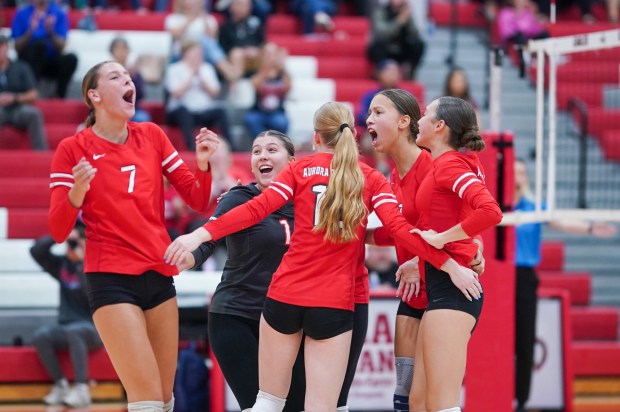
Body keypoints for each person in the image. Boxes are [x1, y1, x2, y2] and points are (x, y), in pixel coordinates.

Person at [165, 101, 479, 411]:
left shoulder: (298, 169)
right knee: (322, 407)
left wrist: (198, 234)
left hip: (284, 296)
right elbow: (398, 228)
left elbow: (255, 209)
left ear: (316, 138)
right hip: (333, 302)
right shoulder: (371, 178)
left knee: (267, 403)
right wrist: (448, 263)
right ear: (351, 135)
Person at [48, 60, 219, 412]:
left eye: (128, 76)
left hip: (158, 272)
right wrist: (77, 192)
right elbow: (58, 229)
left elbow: (199, 200)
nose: (128, 80)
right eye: (116, 77)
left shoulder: (152, 135)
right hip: (111, 278)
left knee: (166, 399)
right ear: (93, 95)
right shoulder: (72, 148)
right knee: (147, 401)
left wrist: (202, 164)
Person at [364, 89, 485, 412]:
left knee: (435, 401)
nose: (368, 120)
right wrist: (357, 235)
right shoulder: (392, 176)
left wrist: (470, 247)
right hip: (415, 293)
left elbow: (473, 217)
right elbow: (402, 233)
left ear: (405, 122)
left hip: (442, 285)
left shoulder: (434, 163)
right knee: (406, 398)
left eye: (377, 113)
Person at [177, 130, 305, 411]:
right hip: (237, 317)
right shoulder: (238, 198)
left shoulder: (308, 204)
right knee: (259, 406)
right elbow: (208, 243)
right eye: (257, 151)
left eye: (272, 150)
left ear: (293, 162)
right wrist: (184, 259)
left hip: (288, 323)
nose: (262, 156)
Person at [410, 96, 503, 412]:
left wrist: (443, 239)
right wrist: (471, 243)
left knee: (441, 405)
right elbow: (463, 217)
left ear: (439, 126)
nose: (418, 120)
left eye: (425, 115)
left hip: (453, 289)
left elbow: (490, 211)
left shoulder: (450, 163)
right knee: (420, 401)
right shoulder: (453, 163)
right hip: (443, 285)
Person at [513, 158, 617, 412]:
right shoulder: (493, 205)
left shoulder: (534, 207)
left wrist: (591, 228)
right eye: (516, 171)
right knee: (495, 339)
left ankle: (521, 401)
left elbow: (561, 222)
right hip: (495, 278)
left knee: (525, 343)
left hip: (524, 278)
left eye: (523, 172)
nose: (520, 176)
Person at [30, 222, 103, 408]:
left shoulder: (96, 265)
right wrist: (60, 235)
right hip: (67, 326)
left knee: (75, 330)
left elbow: (90, 295)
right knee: (42, 335)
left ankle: (81, 389)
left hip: (94, 329)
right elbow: (36, 251)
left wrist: (80, 264)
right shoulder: (62, 265)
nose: (74, 246)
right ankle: (60, 384)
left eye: (79, 241)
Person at [164, 40, 233, 151]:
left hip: (202, 111)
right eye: (195, 52)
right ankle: (191, 147)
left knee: (221, 111)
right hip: (181, 112)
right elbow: (176, 93)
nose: (198, 55)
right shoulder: (174, 69)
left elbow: (215, 93)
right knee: (183, 111)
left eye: (199, 53)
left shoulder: (207, 68)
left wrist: (202, 79)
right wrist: (191, 76)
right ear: (185, 53)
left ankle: (231, 147)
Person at [11, 0, 78, 98]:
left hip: (49, 60)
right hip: (28, 61)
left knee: (71, 59)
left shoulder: (58, 13)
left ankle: (58, 96)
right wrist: (30, 31)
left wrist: (50, 31)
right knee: (40, 45)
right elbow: (17, 47)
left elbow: (61, 47)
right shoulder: (22, 13)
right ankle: (31, 93)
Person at [165, 0, 240, 81]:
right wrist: (190, 19)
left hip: (204, 54)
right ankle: (227, 69)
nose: (190, 5)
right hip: (181, 52)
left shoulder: (209, 19)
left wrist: (204, 18)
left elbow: (213, 38)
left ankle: (228, 70)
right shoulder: (173, 18)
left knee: (206, 41)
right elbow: (175, 36)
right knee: (203, 40)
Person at [0, 34, 47, 150]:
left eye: (1, 46)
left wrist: (14, 98)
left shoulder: (21, 67)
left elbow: (34, 94)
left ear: (7, 47)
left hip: (18, 108)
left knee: (34, 114)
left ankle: (41, 156)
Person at [367, 0, 425, 80]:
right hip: (386, 48)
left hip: (401, 48)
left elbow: (415, 33)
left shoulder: (405, 12)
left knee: (418, 45)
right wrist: (399, 21)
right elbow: (380, 32)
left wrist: (408, 17)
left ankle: (411, 73)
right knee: (377, 47)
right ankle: (380, 73)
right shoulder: (381, 10)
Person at [244, 42, 291, 140]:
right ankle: (262, 143)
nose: (269, 57)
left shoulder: (283, 74)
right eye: (267, 54)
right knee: (251, 120)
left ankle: (277, 145)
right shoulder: (258, 72)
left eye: (272, 54)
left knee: (281, 122)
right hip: (258, 112)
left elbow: (288, 88)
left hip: (277, 112)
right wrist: (265, 69)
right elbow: (256, 86)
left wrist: (282, 67)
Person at [219, 0, 266, 79]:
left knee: (270, 49)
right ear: (232, 7)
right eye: (240, 4)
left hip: (255, 55)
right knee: (236, 54)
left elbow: (263, 42)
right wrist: (244, 50)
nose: (244, 8)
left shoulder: (255, 22)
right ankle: (235, 85)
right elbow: (225, 48)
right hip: (236, 57)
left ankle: (271, 82)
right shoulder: (226, 27)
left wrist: (257, 49)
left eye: (247, 5)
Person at [109, 37, 152, 123]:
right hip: (111, 109)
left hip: (132, 110)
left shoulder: (134, 72)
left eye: (124, 48)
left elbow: (140, 95)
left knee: (143, 118)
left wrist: (134, 78)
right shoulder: (106, 72)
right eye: (118, 48)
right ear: (112, 52)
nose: (121, 52)